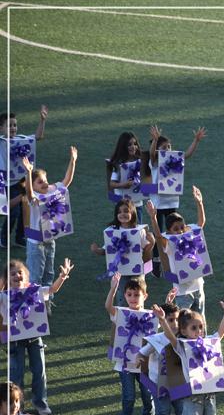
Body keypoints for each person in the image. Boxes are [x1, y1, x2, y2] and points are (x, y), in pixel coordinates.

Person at [2, 258, 72, 415]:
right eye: (12, 274)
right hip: (14, 341)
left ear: (26, 276)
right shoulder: (4, 297)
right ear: (7, 279)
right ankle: (17, 407)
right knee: (16, 374)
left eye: (20, 272)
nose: (17, 276)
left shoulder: (34, 291)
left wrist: (62, 276)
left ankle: (40, 402)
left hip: (35, 339)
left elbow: (52, 289)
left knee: (39, 371)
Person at [145, 125, 207, 277]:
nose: (168, 149)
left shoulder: (174, 159)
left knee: (174, 233)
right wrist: (155, 140)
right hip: (158, 203)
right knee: (158, 234)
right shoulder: (154, 162)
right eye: (164, 147)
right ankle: (157, 260)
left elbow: (187, 154)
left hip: (172, 203)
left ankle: (175, 259)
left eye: (169, 146)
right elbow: (152, 154)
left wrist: (196, 140)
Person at [21, 148, 77, 300]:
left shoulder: (52, 191)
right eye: (40, 182)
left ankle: (46, 304)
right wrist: (28, 172)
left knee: (49, 274)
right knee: (35, 277)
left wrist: (73, 161)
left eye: (45, 180)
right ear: (33, 186)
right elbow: (29, 193)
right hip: (36, 244)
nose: (45, 183)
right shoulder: (34, 198)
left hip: (50, 241)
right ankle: (34, 304)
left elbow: (67, 181)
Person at [105, 273, 156, 415]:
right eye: (129, 294)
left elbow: (162, 323)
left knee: (148, 395)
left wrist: (169, 302)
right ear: (125, 295)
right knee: (129, 397)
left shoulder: (150, 315)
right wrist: (113, 289)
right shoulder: (121, 313)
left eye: (136, 295)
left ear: (145, 296)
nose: (133, 298)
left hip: (144, 365)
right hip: (125, 364)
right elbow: (108, 306)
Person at [144, 186, 206, 317]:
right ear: (169, 231)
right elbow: (158, 236)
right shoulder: (169, 243)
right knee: (183, 322)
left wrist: (199, 203)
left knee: (200, 320)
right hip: (182, 292)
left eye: (182, 227)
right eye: (176, 229)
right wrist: (153, 217)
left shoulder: (189, 235)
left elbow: (201, 223)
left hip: (198, 287)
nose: (180, 231)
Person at [135, 294, 184, 415]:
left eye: (177, 319)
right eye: (171, 320)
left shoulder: (183, 338)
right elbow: (142, 353)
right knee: (163, 412)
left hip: (179, 383)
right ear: (162, 321)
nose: (175, 323)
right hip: (159, 384)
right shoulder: (157, 339)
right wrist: (138, 359)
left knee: (181, 410)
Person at [90, 199, 155, 305]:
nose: (122, 214)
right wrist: (97, 250)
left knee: (137, 296)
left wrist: (151, 243)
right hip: (120, 272)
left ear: (132, 212)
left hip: (137, 272)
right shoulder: (113, 231)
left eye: (126, 211)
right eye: (119, 212)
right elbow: (107, 250)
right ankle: (122, 314)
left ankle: (137, 313)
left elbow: (146, 254)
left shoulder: (140, 231)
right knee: (122, 297)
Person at [1, 106, 47, 248]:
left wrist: (42, 120)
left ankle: (20, 237)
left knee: (25, 210)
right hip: (8, 183)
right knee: (13, 212)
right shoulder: (1, 142)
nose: (13, 128)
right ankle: (4, 238)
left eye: (15, 125)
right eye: (9, 125)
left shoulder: (21, 139)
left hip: (23, 182)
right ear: (1, 128)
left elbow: (38, 136)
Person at [107, 132, 144, 221]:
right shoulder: (119, 164)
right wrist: (123, 185)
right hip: (123, 207)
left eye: (135, 144)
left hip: (137, 203)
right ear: (123, 147)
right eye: (129, 145)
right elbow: (111, 184)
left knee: (138, 227)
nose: (133, 147)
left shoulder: (140, 161)